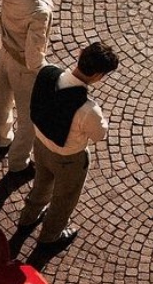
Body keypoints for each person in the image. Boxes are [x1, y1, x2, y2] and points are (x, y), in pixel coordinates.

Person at [16, 41, 119, 247]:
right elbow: (99, 135)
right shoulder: (88, 109)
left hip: (41, 144)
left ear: (80, 54)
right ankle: (50, 236)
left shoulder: (47, 72)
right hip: (69, 159)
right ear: (98, 76)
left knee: (41, 183)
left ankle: (28, 216)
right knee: (64, 199)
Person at [0, 0, 56, 171]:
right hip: (23, 68)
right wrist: (49, 74)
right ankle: (18, 162)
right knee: (29, 119)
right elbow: (34, 56)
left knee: (2, 98)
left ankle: (1, 138)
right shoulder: (39, 11)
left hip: (5, 51)